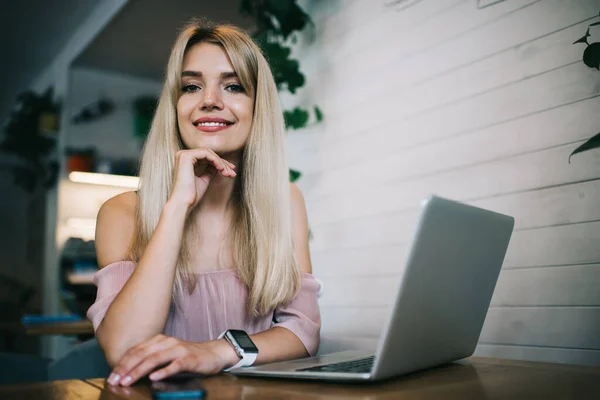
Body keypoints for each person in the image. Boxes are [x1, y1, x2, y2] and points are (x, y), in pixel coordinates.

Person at [86, 19, 321, 387]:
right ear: (176, 105)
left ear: (258, 108)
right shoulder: (121, 213)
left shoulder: (285, 202)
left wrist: (217, 351)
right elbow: (124, 348)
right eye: (192, 86)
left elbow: (303, 331)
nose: (210, 100)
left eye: (233, 86)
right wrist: (177, 207)